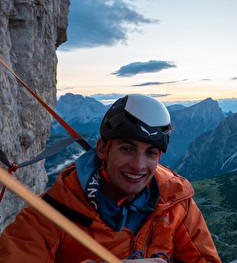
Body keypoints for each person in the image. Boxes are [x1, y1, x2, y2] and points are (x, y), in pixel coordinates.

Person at [0, 94, 222, 263]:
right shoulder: (47, 217)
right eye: (127, 149)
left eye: (151, 153)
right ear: (102, 149)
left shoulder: (176, 202)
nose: (138, 165)